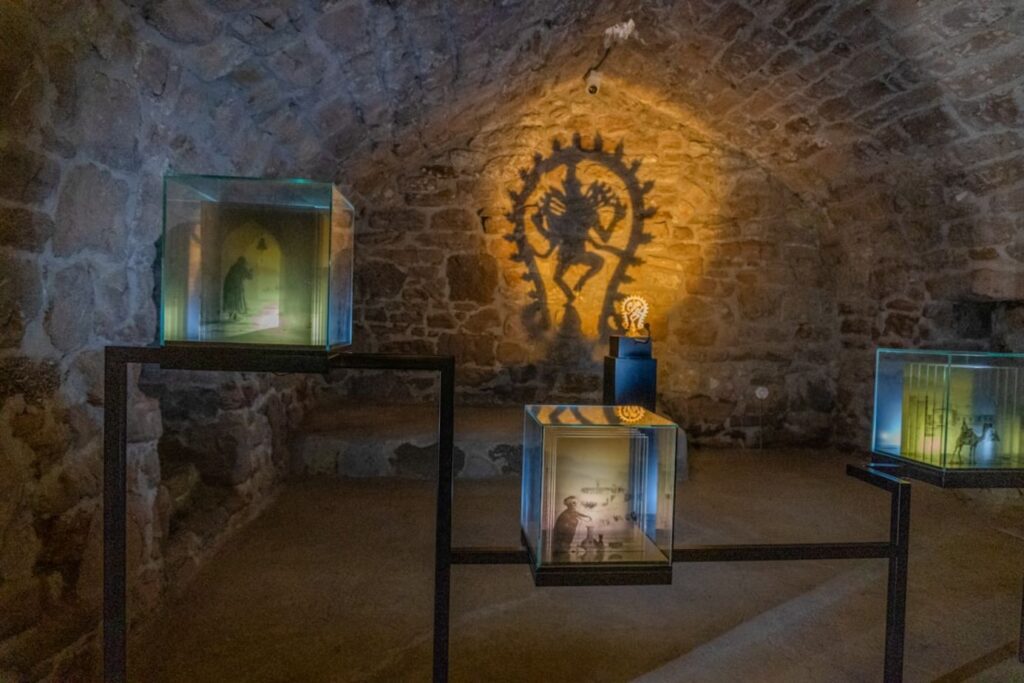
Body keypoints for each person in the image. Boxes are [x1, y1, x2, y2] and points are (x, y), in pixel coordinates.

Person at [223, 256, 253, 321]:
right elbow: (250, 277)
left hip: (229, 287)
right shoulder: (242, 268)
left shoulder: (233, 267)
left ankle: (232, 315)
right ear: (243, 262)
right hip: (236, 287)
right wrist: (251, 271)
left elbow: (228, 277)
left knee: (232, 301)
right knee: (237, 301)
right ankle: (235, 316)